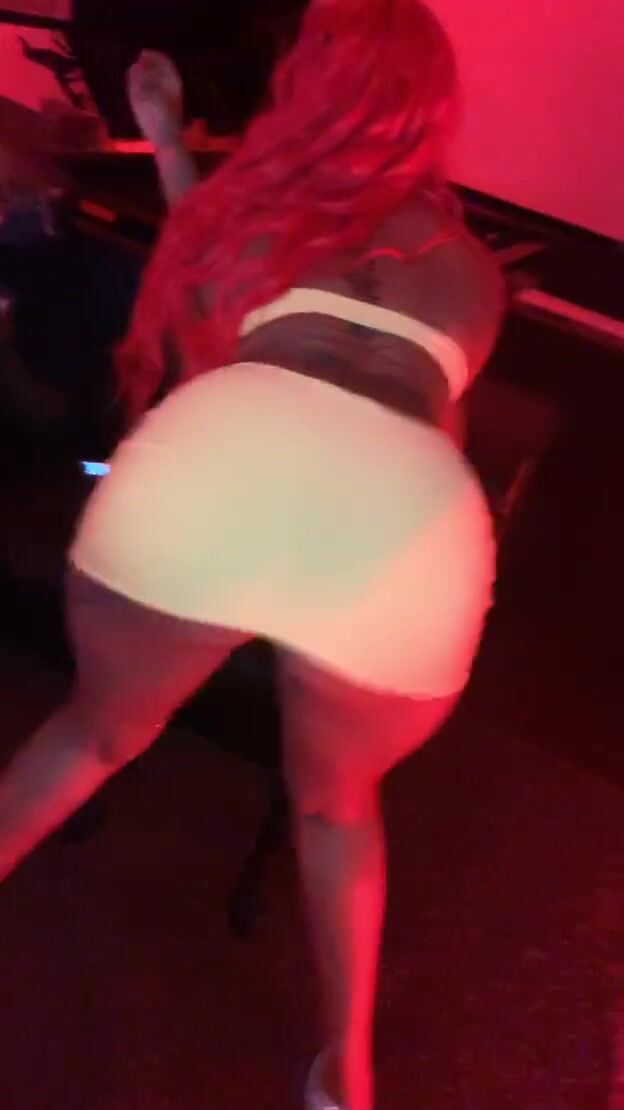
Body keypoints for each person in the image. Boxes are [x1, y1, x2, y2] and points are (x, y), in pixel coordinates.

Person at [0, 3, 504, 1108]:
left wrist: (167, 135)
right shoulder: (473, 273)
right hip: (395, 513)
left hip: (227, 464)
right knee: (340, 808)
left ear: (305, 85)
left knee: (94, 736)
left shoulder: (264, 208)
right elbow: (434, 433)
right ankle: (347, 1074)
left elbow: (205, 297)